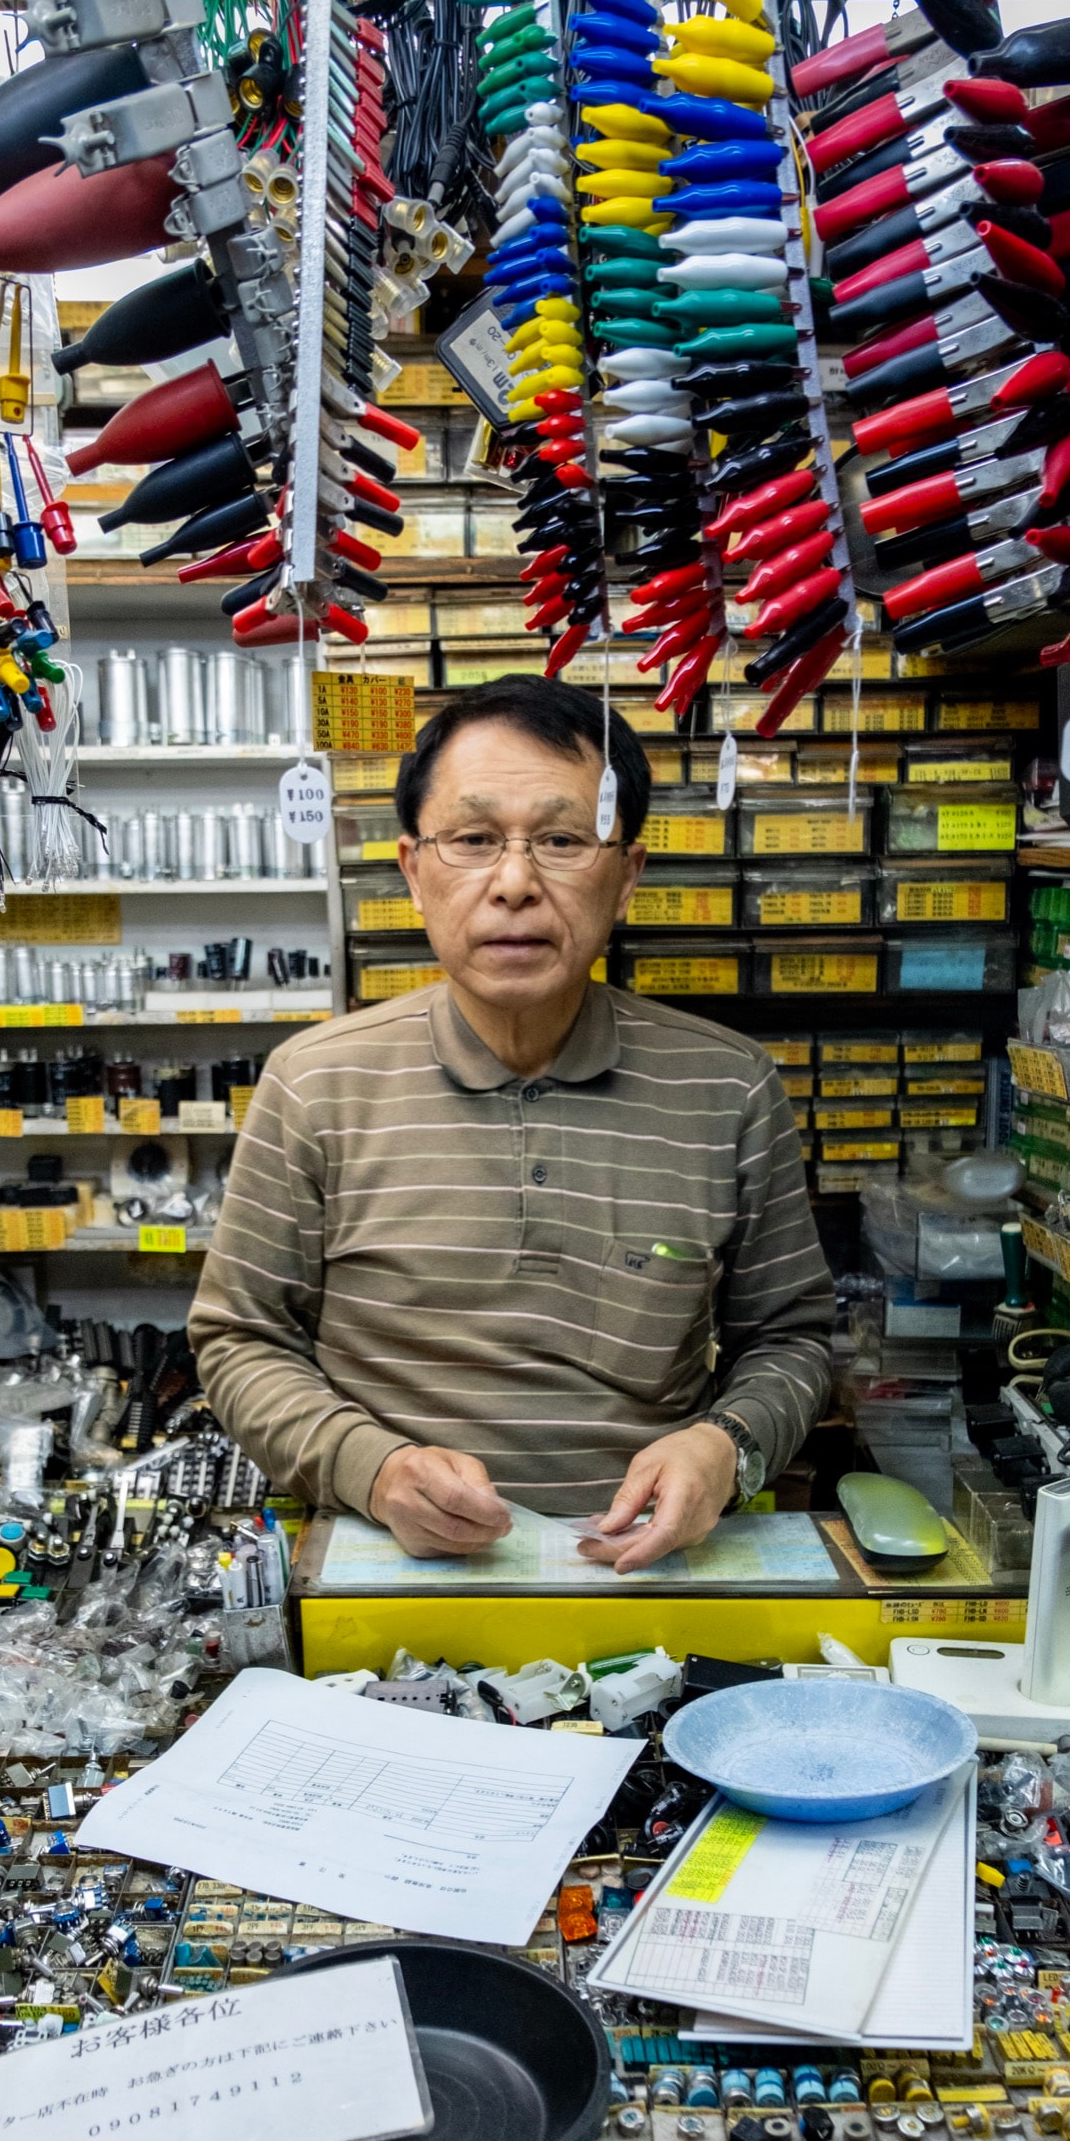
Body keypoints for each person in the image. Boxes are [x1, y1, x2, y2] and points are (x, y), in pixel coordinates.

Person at [189, 674, 833, 1574]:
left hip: (644, 1571)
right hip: (383, 1571)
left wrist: (728, 1444)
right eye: (475, 840)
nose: (516, 883)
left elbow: (791, 1337)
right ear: (414, 872)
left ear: (628, 874)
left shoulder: (729, 1087)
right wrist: (371, 1468)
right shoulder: (314, 1083)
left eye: (564, 840)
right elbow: (241, 1336)